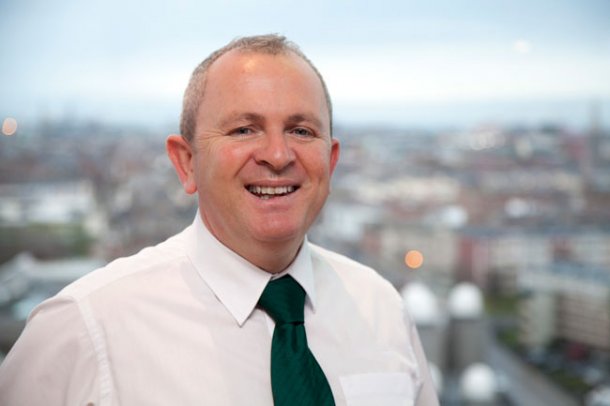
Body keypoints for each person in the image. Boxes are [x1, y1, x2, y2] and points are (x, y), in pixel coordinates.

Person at [0, 34, 439, 405]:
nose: (278, 155)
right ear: (186, 162)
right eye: (244, 129)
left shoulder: (381, 309)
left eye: (301, 130)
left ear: (331, 157)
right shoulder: (84, 331)